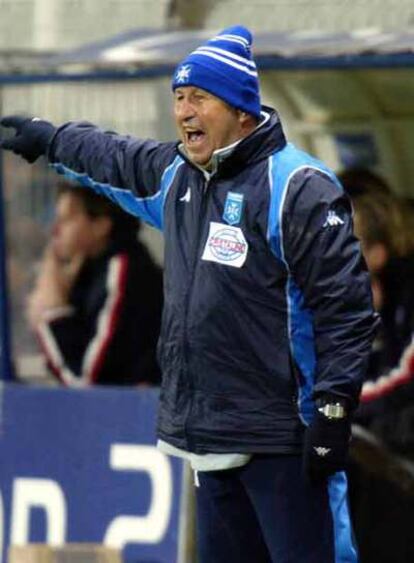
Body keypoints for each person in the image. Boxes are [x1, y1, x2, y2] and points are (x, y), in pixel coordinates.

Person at [0, 26, 378, 563]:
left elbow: (347, 313)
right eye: (178, 98)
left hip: (283, 441)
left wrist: (333, 416)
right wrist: (51, 139)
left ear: (242, 109)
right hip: (208, 439)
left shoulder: (298, 187)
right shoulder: (177, 177)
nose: (184, 111)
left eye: (199, 97)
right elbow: (116, 157)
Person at [26, 181, 163, 387]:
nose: (55, 230)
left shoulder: (123, 269)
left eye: (67, 219)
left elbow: (85, 381)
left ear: (101, 225)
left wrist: (53, 314)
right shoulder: (89, 271)